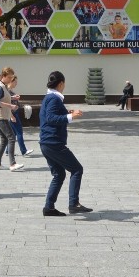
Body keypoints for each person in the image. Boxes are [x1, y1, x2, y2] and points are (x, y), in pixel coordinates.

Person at [39, 70, 92, 217]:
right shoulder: (54, 99)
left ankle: (49, 207)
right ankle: (74, 203)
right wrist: (70, 116)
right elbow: (50, 118)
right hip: (53, 142)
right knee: (77, 169)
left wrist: (67, 112)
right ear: (61, 83)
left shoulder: (49, 97)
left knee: (59, 174)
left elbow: (53, 114)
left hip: (46, 143)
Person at [0, 67, 24, 171]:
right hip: (0, 116)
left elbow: (2, 97)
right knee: (11, 137)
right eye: (9, 77)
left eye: (11, 77)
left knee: (4, 140)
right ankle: (12, 164)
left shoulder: (3, 86)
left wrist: (13, 98)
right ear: (4, 76)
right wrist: (11, 106)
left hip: (0, 116)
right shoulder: (0, 86)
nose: (10, 80)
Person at [4, 76, 33, 157]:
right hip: (13, 114)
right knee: (19, 132)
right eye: (15, 82)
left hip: (14, 113)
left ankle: (7, 150)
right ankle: (23, 151)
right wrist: (12, 116)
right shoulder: (7, 91)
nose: (16, 84)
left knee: (13, 134)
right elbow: (7, 105)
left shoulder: (9, 91)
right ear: (11, 81)